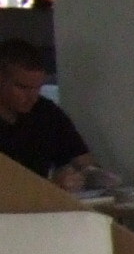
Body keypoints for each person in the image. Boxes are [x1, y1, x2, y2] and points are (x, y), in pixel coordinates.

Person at [0, 40, 93, 187]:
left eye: (37, 88)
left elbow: (82, 160)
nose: (32, 96)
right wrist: (50, 185)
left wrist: (92, 175)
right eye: (22, 87)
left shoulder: (46, 112)